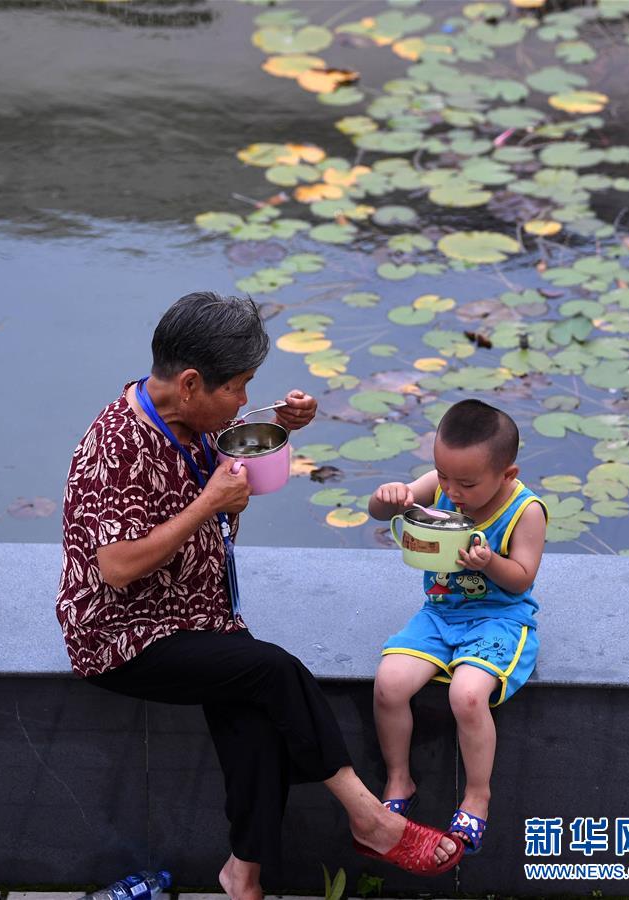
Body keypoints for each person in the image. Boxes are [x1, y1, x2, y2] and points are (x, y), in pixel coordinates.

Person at [56, 291, 463, 900]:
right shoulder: (115, 447)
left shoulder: (186, 414)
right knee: (273, 672)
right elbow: (113, 567)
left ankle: (243, 876)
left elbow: (235, 436)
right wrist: (208, 505)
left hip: (198, 612)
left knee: (252, 712)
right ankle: (370, 819)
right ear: (191, 382)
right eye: (240, 387)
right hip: (125, 634)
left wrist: (284, 422)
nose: (245, 400)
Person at [368, 399, 547, 855]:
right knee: (389, 684)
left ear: (507, 475)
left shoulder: (526, 511)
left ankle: (477, 795)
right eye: (442, 475)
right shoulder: (443, 486)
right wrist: (387, 497)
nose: (451, 491)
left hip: (499, 619)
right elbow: (379, 512)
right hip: (440, 613)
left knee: (466, 695)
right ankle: (398, 779)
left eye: (466, 483)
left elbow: (523, 577)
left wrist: (489, 563)